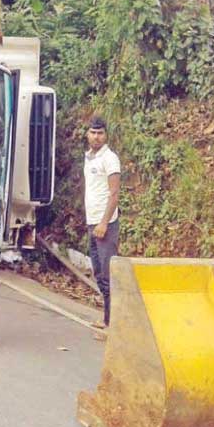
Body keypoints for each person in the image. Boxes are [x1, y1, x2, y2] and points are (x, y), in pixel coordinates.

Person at [84, 116, 121, 333]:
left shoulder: (110, 159)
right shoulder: (89, 158)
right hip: (92, 222)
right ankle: (108, 320)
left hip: (105, 224)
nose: (96, 137)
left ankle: (113, 325)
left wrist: (104, 223)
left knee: (108, 275)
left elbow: (114, 193)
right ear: (87, 134)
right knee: (98, 273)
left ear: (106, 135)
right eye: (93, 132)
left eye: (100, 133)